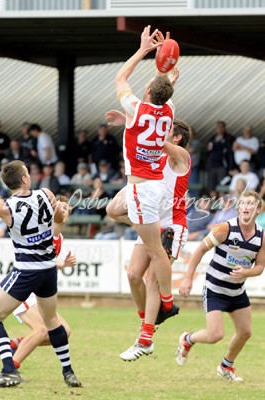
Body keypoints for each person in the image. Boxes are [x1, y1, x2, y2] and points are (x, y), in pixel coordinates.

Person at [106, 109, 191, 360]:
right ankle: (148, 323)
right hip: (151, 223)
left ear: (176, 138)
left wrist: (134, 124)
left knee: (153, 280)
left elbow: (152, 139)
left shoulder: (181, 157)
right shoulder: (152, 161)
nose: (161, 130)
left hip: (172, 226)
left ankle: (145, 339)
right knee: (133, 275)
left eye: (167, 130)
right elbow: (117, 206)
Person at [0, 160, 81, 388]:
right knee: (53, 322)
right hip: (48, 270)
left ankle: (9, 369)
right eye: (28, 172)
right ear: (25, 179)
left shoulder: (6, 207)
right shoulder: (46, 193)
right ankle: (68, 372)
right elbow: (59, 219)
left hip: (26, 270)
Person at [115, 25, 176, 319]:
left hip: (141, 188)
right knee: (117, 215)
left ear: (148, 91)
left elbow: (120, 77)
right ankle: (162, 303)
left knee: (155, 250)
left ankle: (165, 303)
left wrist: (144, 49)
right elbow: (165, 89)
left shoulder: (137, 110)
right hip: (155, 184)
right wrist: (167, 63)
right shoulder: (169, 111)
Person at [176, 190, 265, 382]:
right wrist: (188, 278)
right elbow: (199, 250)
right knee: (215, 335)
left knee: (245, 332)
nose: (246, 207)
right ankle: (187, 339)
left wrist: (246, 272)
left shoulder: (261, 237)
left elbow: (259, 267)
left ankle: (226, 366)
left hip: (237, 291)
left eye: (251, 204)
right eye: (243, 203)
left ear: (259, 209)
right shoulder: (225, 229)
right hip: (215, 289)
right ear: (239, 207)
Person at [11, 195, 76, 369]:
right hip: (24, 287)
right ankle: (10, 368)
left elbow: (45, 265)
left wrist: (61, 265)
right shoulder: (41, 229)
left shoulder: (59, 238)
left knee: (65, 332)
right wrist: (61, 264)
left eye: (67, 209)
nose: (64, 210)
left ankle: (13, 345)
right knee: (40, 330)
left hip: (38, 291)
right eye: (60, 206)